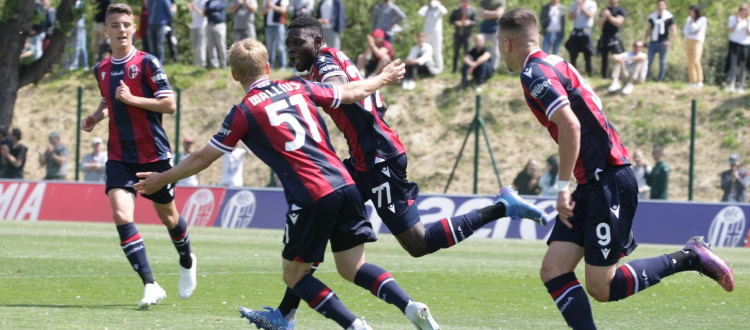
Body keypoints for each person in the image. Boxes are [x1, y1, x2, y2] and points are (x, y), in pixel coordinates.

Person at [238, 16, 544, 329]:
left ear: (318, 42)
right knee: (328, 231)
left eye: (297, 42)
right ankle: (286, 314)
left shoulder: (326, 65)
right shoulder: (333, 59)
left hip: (378, 159)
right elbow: (373, 103)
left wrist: (311, 91)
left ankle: (502, 206)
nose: (291, 49)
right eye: (288, 43)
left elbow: (338, 89)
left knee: (417, 243)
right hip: (363, 160)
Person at [134, 37, 436, 330]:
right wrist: (383, 77)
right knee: (352, 268)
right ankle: (410, 306)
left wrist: (163, 177)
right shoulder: (298, 85)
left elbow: (203, 158)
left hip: (311, 196)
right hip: (346, 184)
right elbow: (351, 92)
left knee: (294, 276)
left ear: (234, 75)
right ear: (267, 68)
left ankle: (354, 326)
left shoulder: (243, 112)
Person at [496, 8, 735, 329]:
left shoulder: (533, 73)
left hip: (605, 179)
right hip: (594, 179)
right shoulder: (556, 63)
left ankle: (691, 257)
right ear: (537, 37)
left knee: (602, 286)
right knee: (554, 269)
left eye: (499, 44)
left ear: (507, 44)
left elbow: (570, 126)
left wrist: (561, 187)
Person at [80, 3, 197, 309]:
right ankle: (151, 284)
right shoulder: (101, 68)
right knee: (121, 214)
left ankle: (187, 258)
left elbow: (169, 104)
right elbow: (109, 100)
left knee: (168, 217)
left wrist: (133, 99)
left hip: (153, 154)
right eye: (115, 25)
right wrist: (95, 116)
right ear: (106, 31)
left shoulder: (148, 63)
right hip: (120, 155)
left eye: (126, 25)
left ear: (134, 28)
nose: (121, 30)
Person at [644, 0, 677, 81]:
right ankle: (647, 76)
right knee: (649, 60)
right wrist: (645, 40)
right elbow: (649, 29)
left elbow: (674, 30)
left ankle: (660, 78)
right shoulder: (653, 17)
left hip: (663, 42)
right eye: (659, 5)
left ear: (665, 6)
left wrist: (669, 41)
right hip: (653, 41)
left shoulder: (669, 17)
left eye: (662, 5)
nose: (660, 7)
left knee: (662, 61)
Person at [565, 0, 597, 77]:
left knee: (587, 54)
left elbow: (590, 15)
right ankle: (573, 72)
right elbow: (570, 17)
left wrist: (582, 7)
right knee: (573, 52)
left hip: (586, 32)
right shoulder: (574, 4)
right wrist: (577, 9)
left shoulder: (592, 3)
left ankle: (589, 73)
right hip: (576, 31)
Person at [596, 0, 626, 79]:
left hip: (614, 36)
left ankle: (619, 76)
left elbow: (618, 22)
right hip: (605, 36)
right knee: (604, 57)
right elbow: (598, 24)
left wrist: (609, 16)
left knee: (618, 56)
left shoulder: (620, 10)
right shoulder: (605, 10)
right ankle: (604, 76)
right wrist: (604, 17)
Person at [417, 0, 448, 73]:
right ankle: (431, 68)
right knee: (428, 50)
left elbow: (445, 12)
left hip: (436, 33)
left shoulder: (439, 9)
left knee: (437, 51)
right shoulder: (427, 9)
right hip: (427, 33)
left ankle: (440, 68)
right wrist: (427, 5)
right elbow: (420, 12)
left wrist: (438, 4)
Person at [726, 4, 750, 93]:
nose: (743, 11)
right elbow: (730, 30)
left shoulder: (749, 20)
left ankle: (741, 86)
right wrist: (737, 22)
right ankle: (732, 85)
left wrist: (747, 23)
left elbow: (749, 33)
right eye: (741, 9)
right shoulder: (732, 18)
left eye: (745, 9)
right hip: (734, 44)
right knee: (733, 65)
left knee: (743, 66)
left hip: (745, 45)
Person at [450, 0, 478, 74]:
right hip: (458, 34)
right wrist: (455, 22)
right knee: (456, 52)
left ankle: (466, 69)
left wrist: (470, 22)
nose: (464, 3)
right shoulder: (456, 10)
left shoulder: (473, 10)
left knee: (468, 52)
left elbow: (476, 21)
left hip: (467, 34)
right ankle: (455, 69)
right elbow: (451, 20)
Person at [684, 5, 706, 88]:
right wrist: (692, 31)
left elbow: (696, 28)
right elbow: (685, 30)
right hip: (688, 40)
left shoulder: (702, 19)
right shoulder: (688, 19)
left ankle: (699, 80)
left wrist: (692, 22)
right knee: (690, 62)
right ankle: (692, 81)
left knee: (696, 60)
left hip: (697, 41)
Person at [478, 0, 504, 71]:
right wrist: (492, 14)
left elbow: (498, 14)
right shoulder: (483, 1)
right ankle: (479, 67)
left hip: (496, 28)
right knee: (480, 48)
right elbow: (480, 14)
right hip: (484, 27)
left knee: (495, 51)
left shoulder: (500, 1)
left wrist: (486, 13)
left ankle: (493, 69)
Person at [205, 0, 228, 69]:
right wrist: (211, 9)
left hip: (220, 24)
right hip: (209, 24)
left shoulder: (223, 1)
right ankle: (214, 65)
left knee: (221, 45)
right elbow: (205, 12)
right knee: (211, 45)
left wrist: (210, 9)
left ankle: (223, 64)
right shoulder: (208, 2)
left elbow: (218, 8)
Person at [187, 0, 208, 67]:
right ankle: (196, 64)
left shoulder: (206, 2)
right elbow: (193, 14)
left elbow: (204, 15)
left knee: (201, 46)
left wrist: (195, 8)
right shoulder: (195, 1)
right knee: (195, 46)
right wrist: (190, 8)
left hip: (202, 26)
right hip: (193, 26)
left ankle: (202, 64)